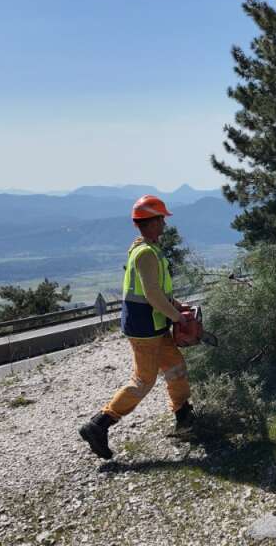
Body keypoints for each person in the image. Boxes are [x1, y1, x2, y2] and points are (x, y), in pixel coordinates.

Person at [79, 195, 193, 460]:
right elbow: (152, 295)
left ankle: (185, 419)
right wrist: (177, 317)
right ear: (150, 222)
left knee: (176, 367)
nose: (165, 223)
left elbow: (156, 290)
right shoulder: (145, 254)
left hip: (154, 325)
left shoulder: (147, 248)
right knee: (143, 381)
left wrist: (176, 304)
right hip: (144, 327)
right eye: (161, 218)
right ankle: (99, 424)